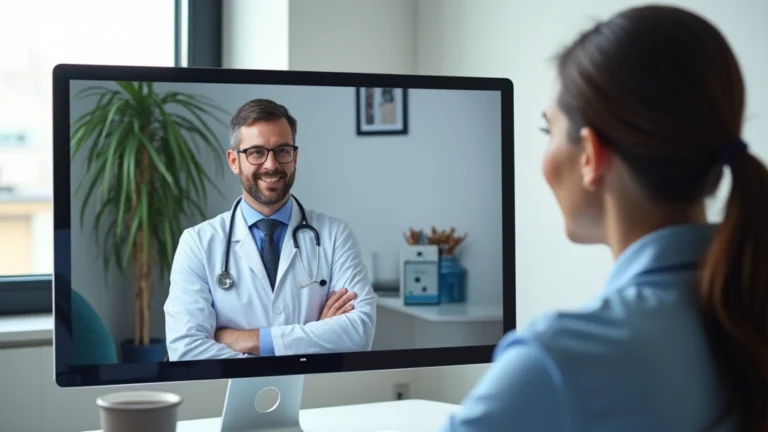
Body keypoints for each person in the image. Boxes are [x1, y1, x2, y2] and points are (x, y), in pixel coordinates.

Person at [440, 5, 768, 432]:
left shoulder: (556, 363)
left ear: (591, 155)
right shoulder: (746, 313)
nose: (543, 160)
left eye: (548, 132)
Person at [164, 98, 377, 361]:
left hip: (320, 394)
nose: (271, 164)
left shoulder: (335, 236)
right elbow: (186, 350)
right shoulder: (198, 243)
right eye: (256, 152)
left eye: (282, 151)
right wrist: (318, 335)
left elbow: (359, 333)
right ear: (234, 161)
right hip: (232, 398)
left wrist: (247, 340)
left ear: (295, 157)